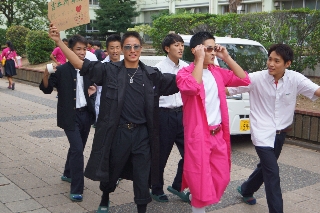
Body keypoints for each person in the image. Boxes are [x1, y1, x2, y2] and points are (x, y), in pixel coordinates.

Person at [48, 24, 179, 213]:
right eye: (127, 47)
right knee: (112, 170)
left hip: (143, 135)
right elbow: (80, 64)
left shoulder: (151, 75)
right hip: (118, 132)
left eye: (135, 47)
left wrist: (201, 61)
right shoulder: (109, 70)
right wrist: (59, 41)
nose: (132, 51)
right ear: (122, 49)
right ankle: (105, 196)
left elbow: (182, 82)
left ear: (141, 49)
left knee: (143, 175)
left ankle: (141, 208)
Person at [227, 44, 320, 213]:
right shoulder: (256, 78)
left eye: (277, 61)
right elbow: (229, 89)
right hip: (261, 133)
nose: (271, 63)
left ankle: (246, 189)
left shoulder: (295, 79)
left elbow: (317, 90)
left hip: (280, 133)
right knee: (272, 173)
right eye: (270, 59)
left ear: (287, 64)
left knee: (265, 167)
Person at [176, 32, 251, 213]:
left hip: (218, 135)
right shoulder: (184, 74)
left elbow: (244, 79)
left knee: (222, 176)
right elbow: (193, 87)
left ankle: (197, 196)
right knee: (200, 180)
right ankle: (197, 203)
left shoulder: (217, 72)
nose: (212, 52)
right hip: (199, 135)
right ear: (195, 50)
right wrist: (200, 60)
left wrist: (225, 56)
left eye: (214, 48)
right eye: (209, 48)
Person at [39, 34, 97, 202]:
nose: (82, 52)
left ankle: (67, 172)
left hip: (86, 115)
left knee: (76, 147)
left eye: (84, 49)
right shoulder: (62, 70)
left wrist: (91, 94)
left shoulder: (89, 68)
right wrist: (45, 74)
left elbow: (93, 88)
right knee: (78, 150)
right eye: (78, 49)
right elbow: (47, 89)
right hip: (69, 116)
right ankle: (77, 188)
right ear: (69, 50)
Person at [150, 33, 189, 203]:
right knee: (161, 154)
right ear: (167, 48)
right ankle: (156, 188)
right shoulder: (158, 68)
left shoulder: (186, 67)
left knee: (190, 153)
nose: (180, 48)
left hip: (183, 114)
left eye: (181, 44)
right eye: (176, 45)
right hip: (163, 115)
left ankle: (178, 185)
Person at [94, 34, 122, 127]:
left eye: (117, 47)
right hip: (105, 108)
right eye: (112, 48)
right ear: (107, 49)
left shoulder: (127, 65)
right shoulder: (101, 67)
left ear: (121, 48)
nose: (115, 51)